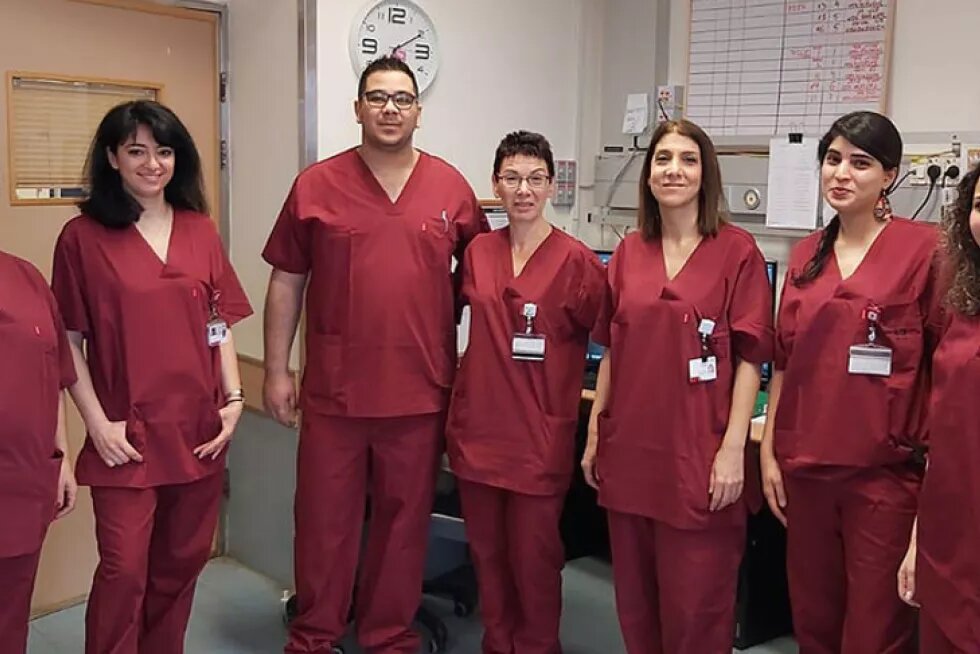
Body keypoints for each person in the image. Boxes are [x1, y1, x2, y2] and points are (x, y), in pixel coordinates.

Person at [262, 55, 488, 654]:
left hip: (419, 390)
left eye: (403, 98)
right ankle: (315, 633)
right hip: (336, 390)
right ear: (357, 108)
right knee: (322, 522)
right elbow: (287, 279)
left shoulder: (452, 189)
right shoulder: (316, 185)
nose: (391, 108)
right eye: (378, 97)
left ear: (419, 111)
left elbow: (487, 281)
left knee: (402, 523)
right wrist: (278, 369)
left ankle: (389, 634)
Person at [51, 100, 253, 654]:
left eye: (163, 151)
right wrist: (97, 425)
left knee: (180, 565)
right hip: (126, 436)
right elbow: (68, 342)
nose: (152, 164)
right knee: (123, 570)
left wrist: (233, 399)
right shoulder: (82, 238)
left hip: (199, 432)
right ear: (112, 157)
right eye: (136, 150)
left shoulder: (200, 230)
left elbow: (219, 322)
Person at [582, 119, 774, 654]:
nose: (674, 170)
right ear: (647, 177)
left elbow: (749, 359)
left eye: (688, 159)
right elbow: (614, 350)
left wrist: (734, 449)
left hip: (698, 455)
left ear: (705, 174)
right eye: (663, 159)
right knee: (636, 607)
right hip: (632, 456)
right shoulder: (627, 253)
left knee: (697, 612)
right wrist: (597, 433)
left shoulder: (737, 253)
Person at [760, 111, 940, 654]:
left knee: (874, 631)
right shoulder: (805, 256)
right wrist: (769, 452)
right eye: (832, 160)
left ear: (889, 175)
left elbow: (944, 372)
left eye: (860, 163)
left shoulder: (926, 252)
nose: (841, 173)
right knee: (813, 623)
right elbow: (787, 363)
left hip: (883, 481)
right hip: (807, 473)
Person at [445, 131, 605, 654]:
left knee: (534, 563)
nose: (523, 189)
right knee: (488, 560)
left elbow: (613, 342)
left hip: (538, 439)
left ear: (551, 186)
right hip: (479, 434)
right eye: (511, 178)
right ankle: (498, 644)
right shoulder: (477, 255)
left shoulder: (578, 262)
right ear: (495, 183)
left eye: (535, 179)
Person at [897, 163, 980, 653]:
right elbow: (942, 445)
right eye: (978, 205)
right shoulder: (962, 307)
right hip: (948, 545)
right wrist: (916, 541)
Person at [0, 250, 77, 654]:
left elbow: (56, 370)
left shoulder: (25, 277)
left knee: (10, 617)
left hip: (23, 482)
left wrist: (61, 455)